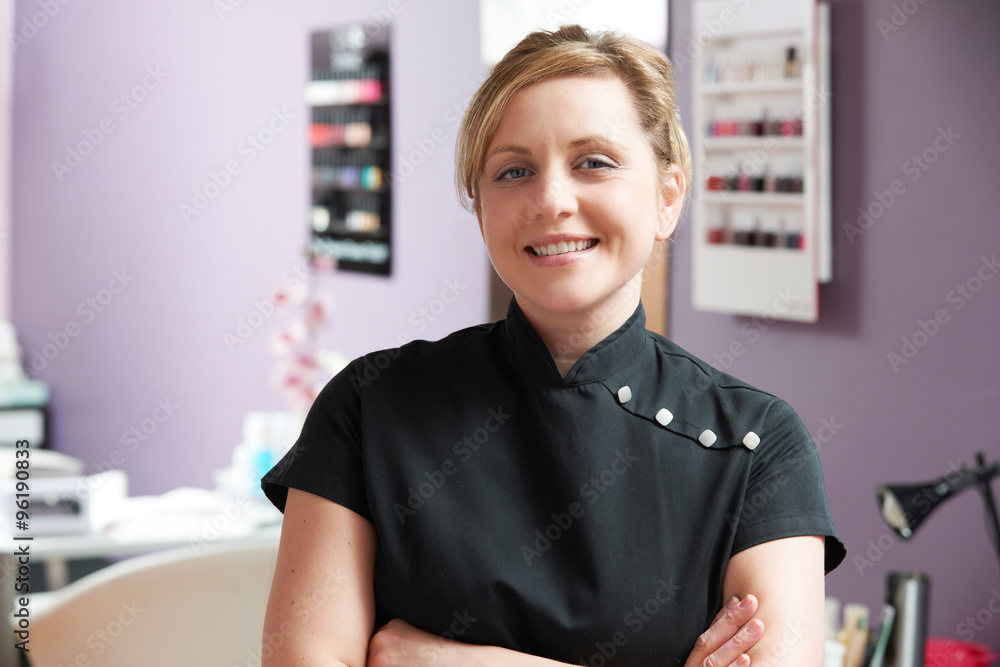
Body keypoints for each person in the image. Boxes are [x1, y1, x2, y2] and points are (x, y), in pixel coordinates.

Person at [261, 24, 845, 666]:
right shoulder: (368, 408)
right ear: (481, 211)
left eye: (594, 161)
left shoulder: (757, 443)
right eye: (514, 171)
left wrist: (443, 660)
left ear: (668, 197)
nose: (551, 200)